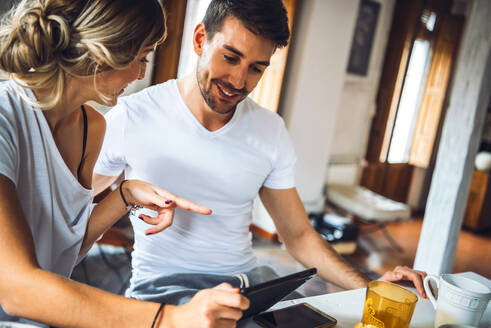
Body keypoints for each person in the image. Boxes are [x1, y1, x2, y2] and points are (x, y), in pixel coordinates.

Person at [93, 0, 427, 306]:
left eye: (256, 68)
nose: (238, 80)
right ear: (200, 39)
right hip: (162, 289)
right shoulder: (133, 115)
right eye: (231, 57)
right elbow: (74, 206)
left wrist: (368, 285)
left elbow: (297, 235)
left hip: (245, 285)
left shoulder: (270, 131)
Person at [0, 0, 249, 327]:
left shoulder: (91, 128)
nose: (142, 73)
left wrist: (126, 194)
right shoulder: (5, 118)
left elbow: (62, 252)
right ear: (105, 50)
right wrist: (170, 319)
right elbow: (17, 289)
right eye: (142, 57)